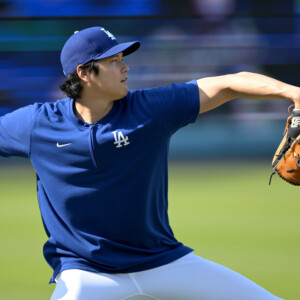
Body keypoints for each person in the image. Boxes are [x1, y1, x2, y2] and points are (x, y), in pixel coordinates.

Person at [0, 26, 297, 300]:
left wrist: (293, 92)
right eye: (113, 61)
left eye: (122, 58)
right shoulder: (37, 124)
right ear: (84, 73)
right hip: (84, 273)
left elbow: (229, 84)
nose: (125, 67)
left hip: (164, 261)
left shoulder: (149, 109)